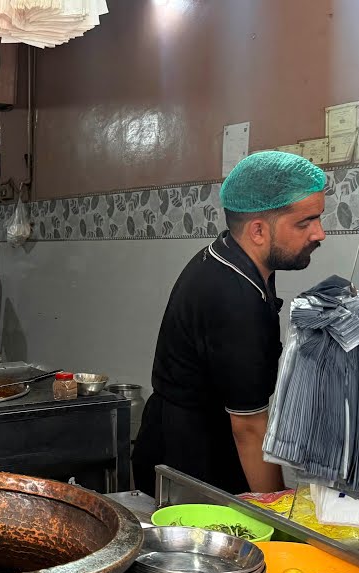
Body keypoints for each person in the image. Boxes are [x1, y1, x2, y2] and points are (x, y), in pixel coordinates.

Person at [132, 151, 327, 496]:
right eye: (304, 223)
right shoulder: (234, 298)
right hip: (192, 461)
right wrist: (277, 510)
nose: (319, 234)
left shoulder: (232, 258)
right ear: (257, 231)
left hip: (192, 438)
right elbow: (249, 428)